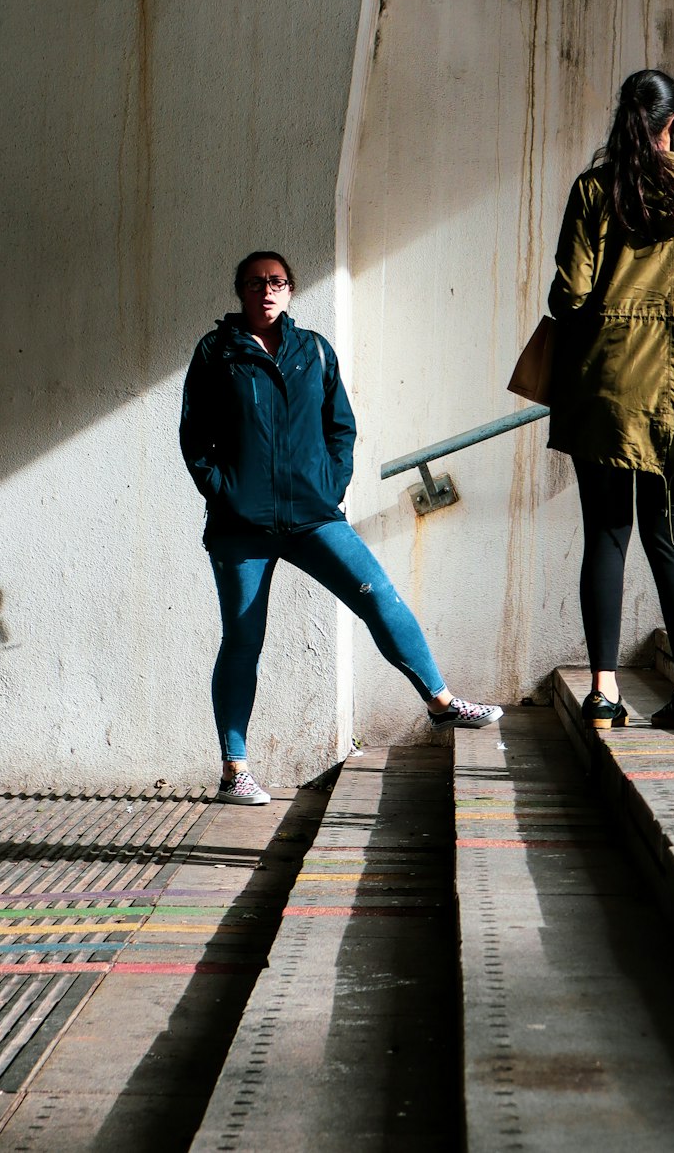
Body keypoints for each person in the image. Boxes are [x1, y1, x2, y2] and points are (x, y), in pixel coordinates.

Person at [180, 251, 502, 805]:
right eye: (256, 282)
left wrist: (331, 486)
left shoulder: (314, 352)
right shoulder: (216, 353)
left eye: (277, 282)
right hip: (241, 526)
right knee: (243, 640)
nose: (267, 291)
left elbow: (341, 428)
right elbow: (195, 437)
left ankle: (441, 703)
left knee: (380, 596)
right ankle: (235, 770)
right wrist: (225, 491)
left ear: (291, 290)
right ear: (239, 290)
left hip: (312, 515)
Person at [546, 70, 674, 730]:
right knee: (671, 538)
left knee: (605, 539)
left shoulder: (594, 189)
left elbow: (571, 295)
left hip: (605, 392)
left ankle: (605, 693)